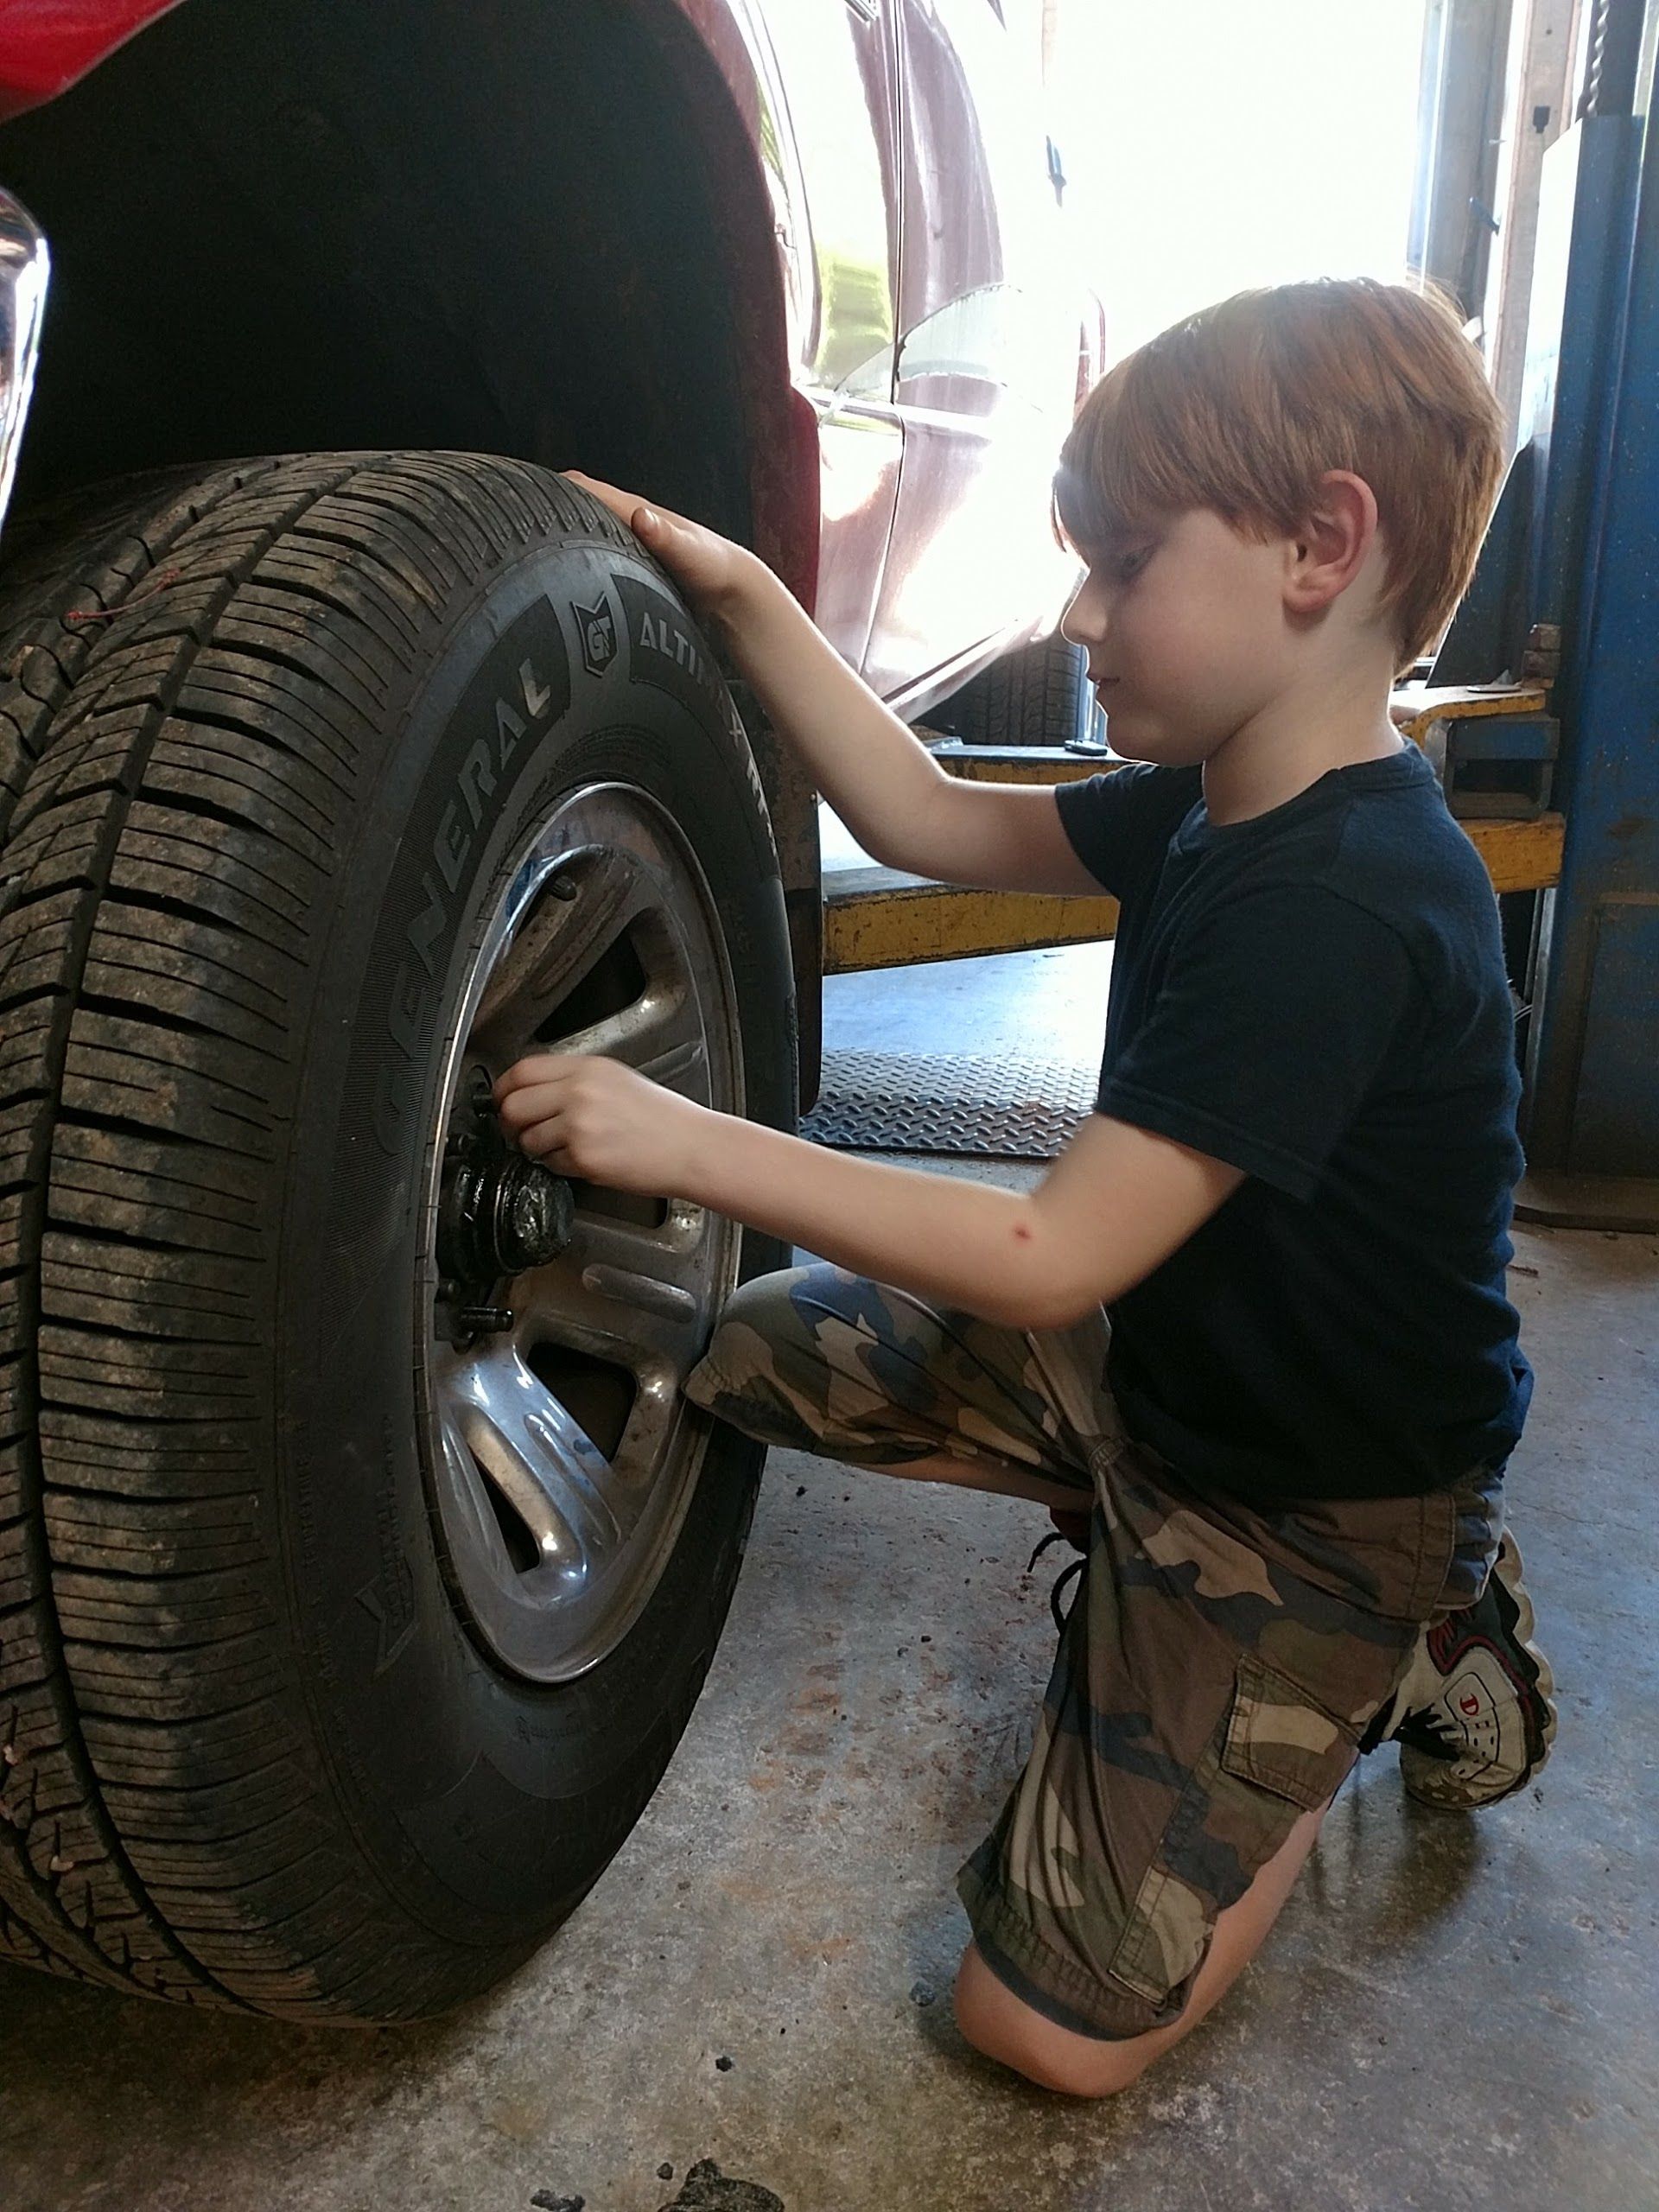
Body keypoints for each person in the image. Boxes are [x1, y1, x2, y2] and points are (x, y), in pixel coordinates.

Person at [494, 278, 1556, 2099]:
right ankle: (1193, 1585)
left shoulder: (1343, 902)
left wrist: (690, 1140)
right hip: (1168, 1378)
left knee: (1040, 2031)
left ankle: (1381, 1663)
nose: (1079, 612)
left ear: (1322, 543)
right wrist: (742, 589)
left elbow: (1046, 1249)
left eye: (1123, 560)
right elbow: (924, 819)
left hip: (1318, 1502)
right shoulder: (1221, 793)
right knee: (750, 1347)